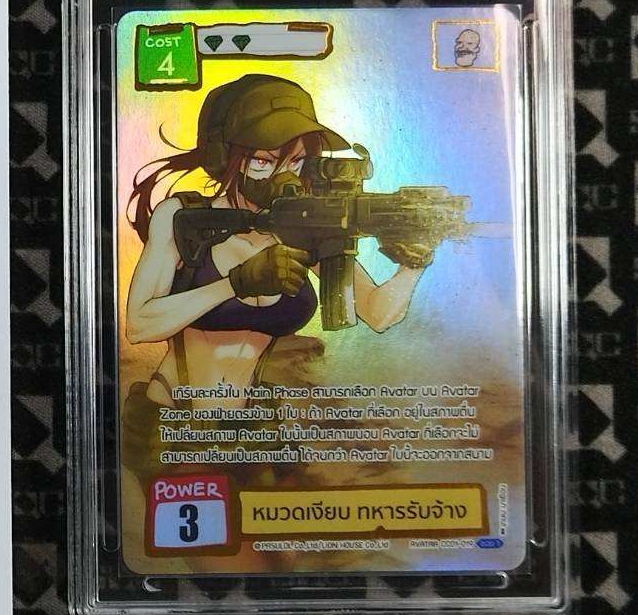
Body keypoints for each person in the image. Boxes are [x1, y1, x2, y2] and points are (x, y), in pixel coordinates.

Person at [122, 75, 433, 439]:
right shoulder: (182, 216)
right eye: (263, 161)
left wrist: (413, 265)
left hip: (252, 429)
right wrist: (237, 283)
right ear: (224, 156)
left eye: (297, 161)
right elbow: (139, 325)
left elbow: (377, 314)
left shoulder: (306, 226)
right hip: (168, 423)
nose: (284, 176)